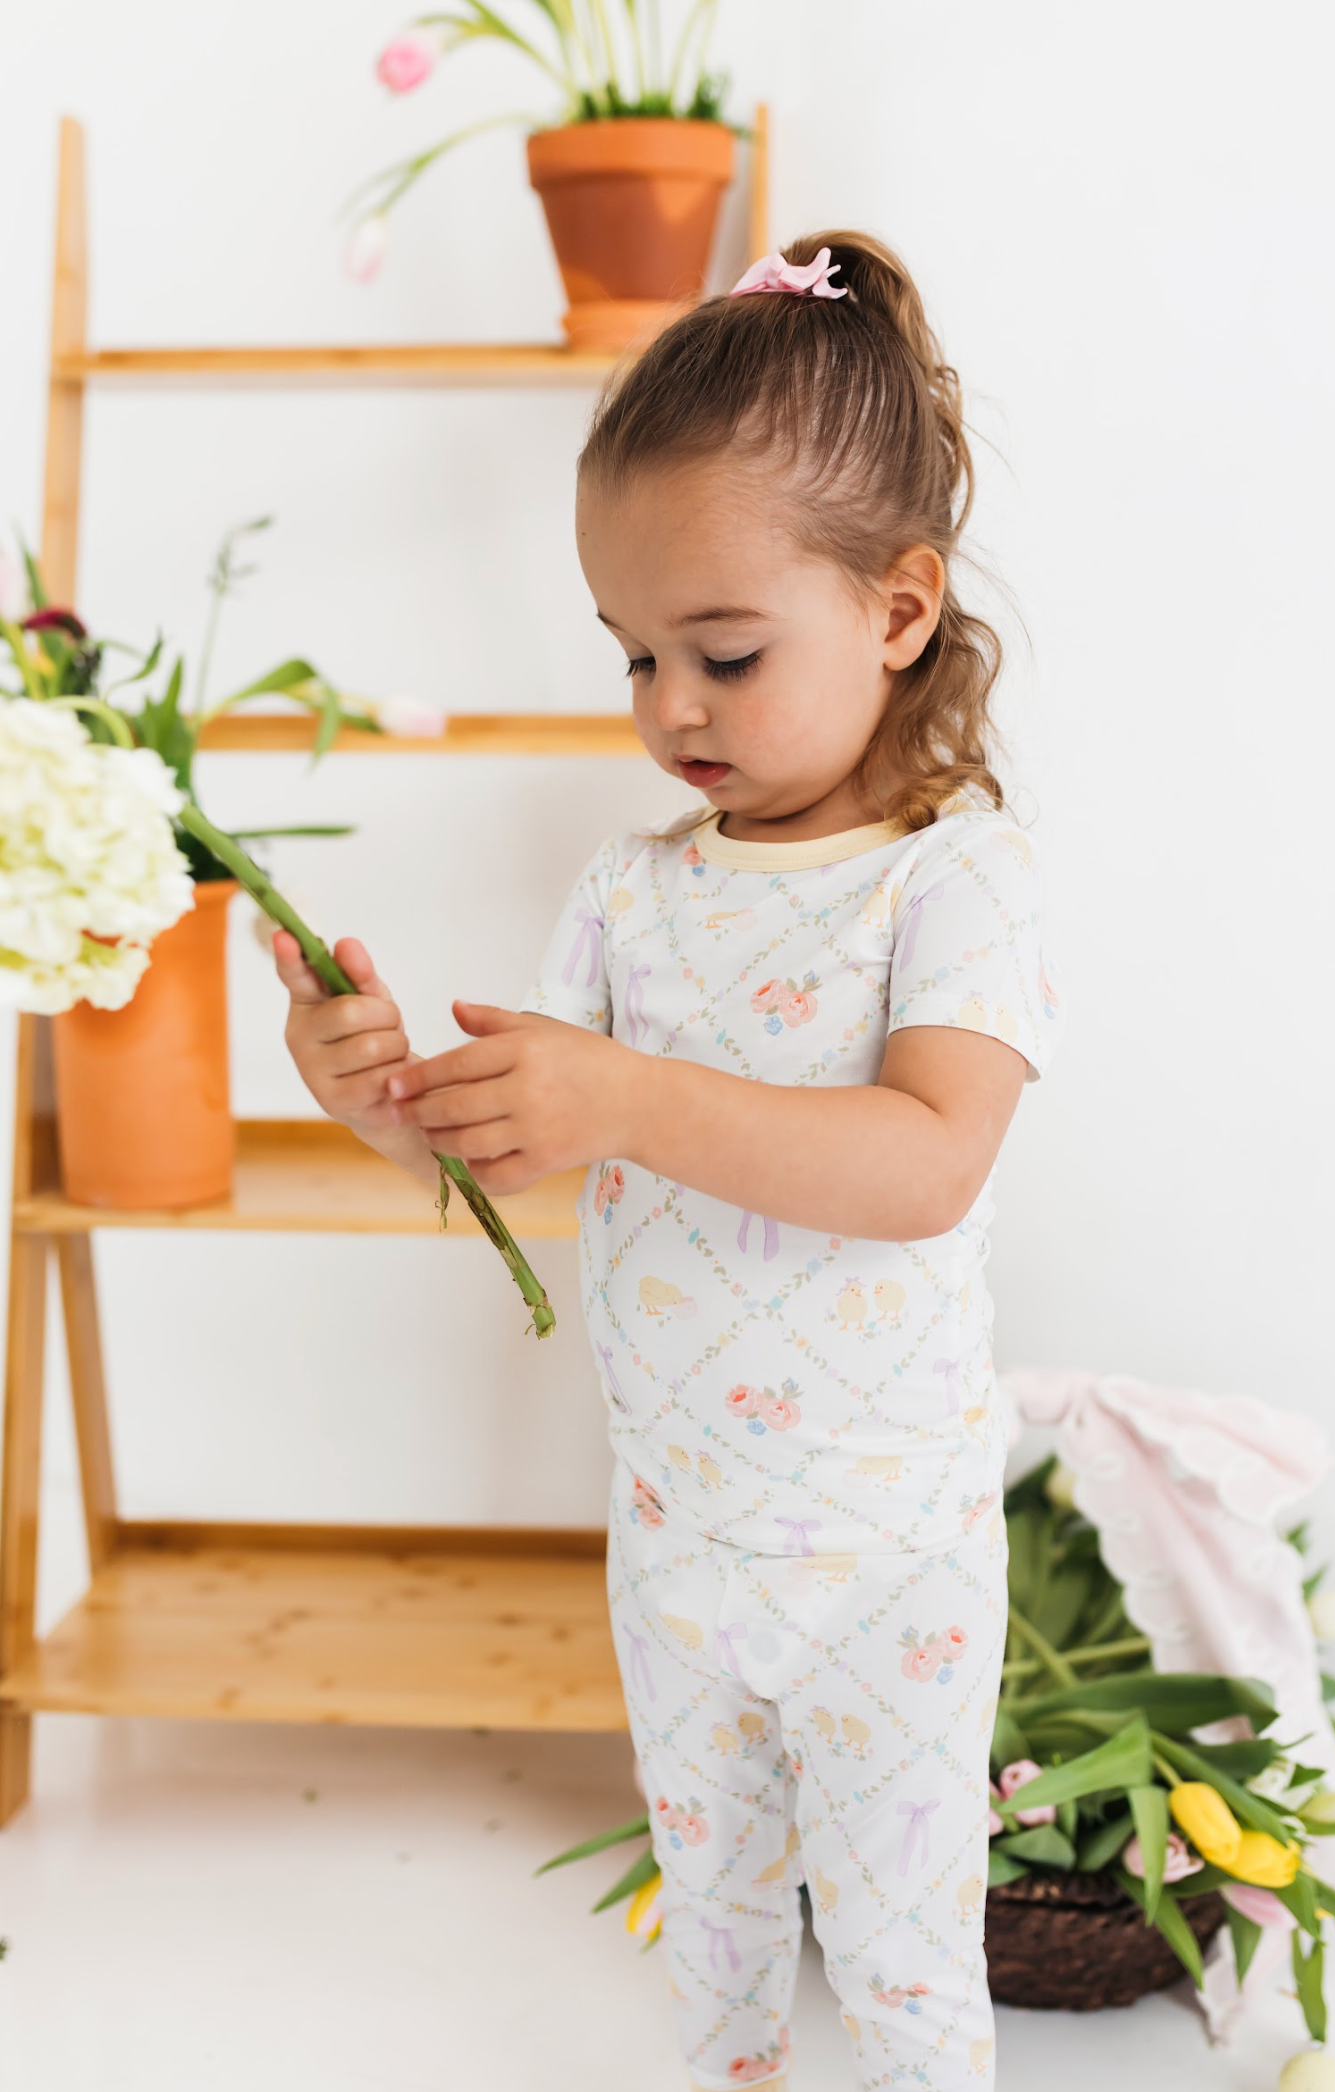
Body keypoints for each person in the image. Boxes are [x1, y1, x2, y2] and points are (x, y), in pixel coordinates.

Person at [272, 229, 1065, 2091]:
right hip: (677, 1541)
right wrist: (376, 1102)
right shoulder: (632, 891)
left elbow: (926, 1163)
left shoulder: (956, 879)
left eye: (722, 652)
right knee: (710, 1932)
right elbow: (521, 1152)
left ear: (897, 609)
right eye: (633, 653)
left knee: (900, 1957)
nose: (668, 705)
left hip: (884, 1561)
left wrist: (626, 1098)